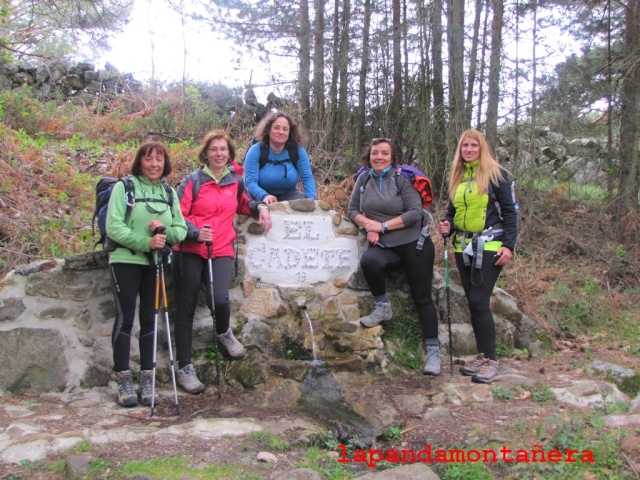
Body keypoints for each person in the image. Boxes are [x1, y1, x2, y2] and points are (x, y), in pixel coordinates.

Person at [172, 130, 272, 394]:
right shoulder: (192, 182)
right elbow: (177, 216)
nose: (219, 154)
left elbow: (244, 204)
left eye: (223, 150)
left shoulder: (234, 182)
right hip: (189, 249)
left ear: (229, 154)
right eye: (214, 150)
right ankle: (184, 367)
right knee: (187, 305)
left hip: (220, 248)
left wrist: (260, 206)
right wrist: (195, 232)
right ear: (206, 153)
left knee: (221, 299)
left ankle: (224, 331)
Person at [347, 138, 441, 375]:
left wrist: (382, 227)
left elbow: (415, 212)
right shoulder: (363, 179)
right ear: (369, 156)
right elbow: (352, 210)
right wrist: (368, 224)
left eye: (384, 153)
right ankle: (382, 305)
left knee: (422, 297)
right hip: (386, 246)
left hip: (414, 244)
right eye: (375, 152)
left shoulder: (402, 178)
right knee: (369, 262)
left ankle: (432, 351)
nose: (379, 157)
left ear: (392, 157)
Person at [106, 142, 187, 408]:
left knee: (150, 320)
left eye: (159, 159)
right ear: (140, 161)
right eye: (149, 159)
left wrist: (163, 231)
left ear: (166, 163)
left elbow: (181, 230)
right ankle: (124, 379)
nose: (154, 164)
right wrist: (145, 242)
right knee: (126, 319)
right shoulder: (124, 188)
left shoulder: (168, 192)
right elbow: (113, 227)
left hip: (156, 263)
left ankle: (147, 378)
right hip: (125, 261)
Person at [438, 129, 518, 384]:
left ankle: (492, 361)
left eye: (473, 145)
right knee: (473, 301)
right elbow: (451, 212)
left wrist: (509, 245)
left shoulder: (496, 174)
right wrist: (447, 225)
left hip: (491, 245)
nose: (469, 150)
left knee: (480, 301)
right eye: (465, 146)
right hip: (463, 246)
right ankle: (483, 356)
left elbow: (510, 211)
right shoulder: (459, 177)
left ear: (481, 148)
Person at [244, 111, 317, 204]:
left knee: (304, 202)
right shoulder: (256, 150)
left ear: (290, 132)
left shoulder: (297, 151)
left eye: (285, 129)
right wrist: (265, 196)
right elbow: (250, 182)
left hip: (289, 195)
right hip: (259, 196)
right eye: (276, 128)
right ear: (268, 129)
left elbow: (307, 178)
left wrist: (312, 201)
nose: (281, 132)